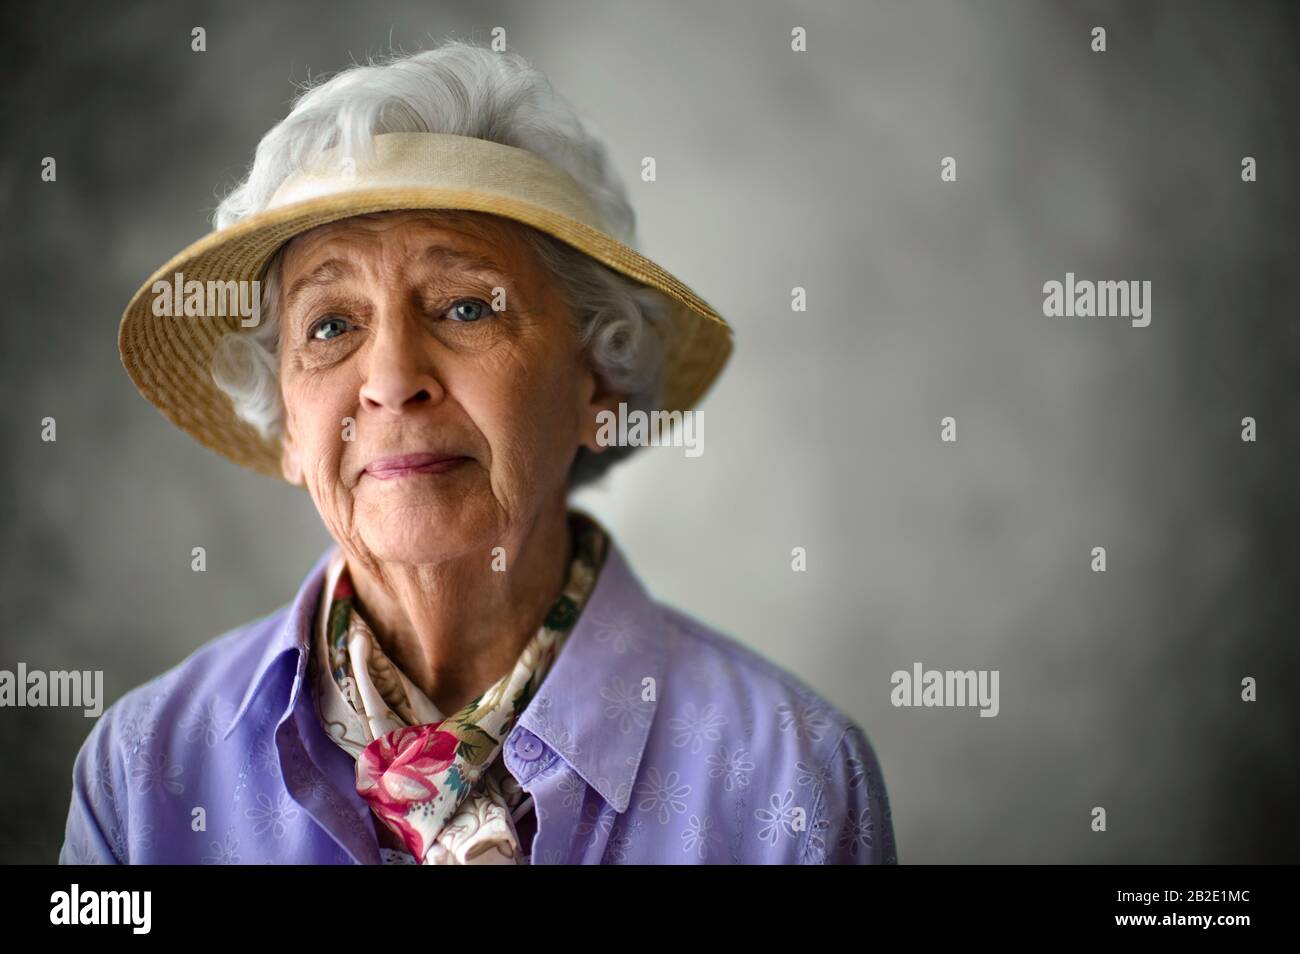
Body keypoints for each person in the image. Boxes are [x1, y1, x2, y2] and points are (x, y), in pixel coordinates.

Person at [59, 40, 895, 865]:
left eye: (465, 308)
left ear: (596, 384)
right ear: (284, 421)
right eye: (331, 325)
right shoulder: (144, 773)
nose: (392, 380)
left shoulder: (795, 783)